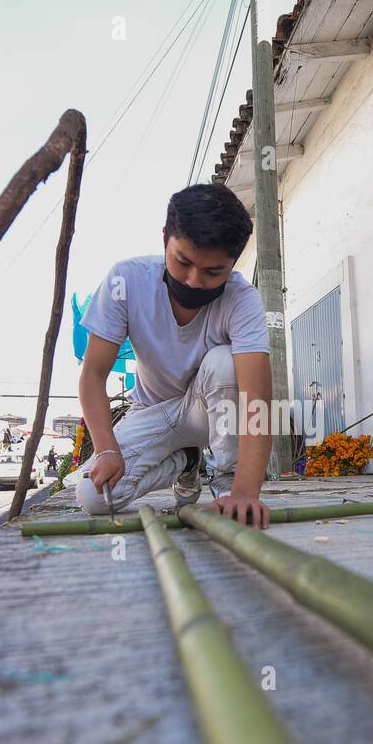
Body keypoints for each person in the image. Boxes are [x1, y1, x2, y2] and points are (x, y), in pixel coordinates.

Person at [75, 183, 275, 528]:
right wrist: (106, 450)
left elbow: (257, 400)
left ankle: (224, 475)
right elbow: (93, 375)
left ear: (233, 262)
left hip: (208, 413)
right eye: (183, 262)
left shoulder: (243, 300)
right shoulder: (126, 281)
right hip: (151, 412)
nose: (195, 281)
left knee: (225, 363)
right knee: (94, 497)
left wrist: (246, 491)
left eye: (214, 272)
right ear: (165, 237)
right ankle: (185, 463)